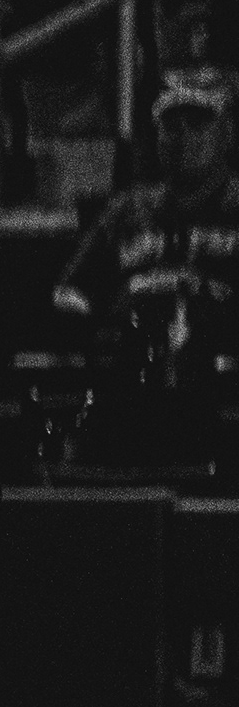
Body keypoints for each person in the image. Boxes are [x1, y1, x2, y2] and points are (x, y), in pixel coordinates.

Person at [51, 75, 239, 470]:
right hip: (129, 373)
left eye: (198, 123)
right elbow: (71, 289)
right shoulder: (128, 208)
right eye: (172, 125)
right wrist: (88, 322)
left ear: (226, 134)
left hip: (222, 382)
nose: (183, 136)